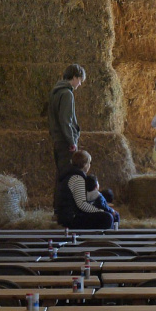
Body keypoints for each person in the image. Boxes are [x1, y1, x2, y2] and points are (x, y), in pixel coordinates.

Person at [48, 64, 86, 211]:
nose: (80, 84)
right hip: (65, 141)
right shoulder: (67, 94)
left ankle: (58, 209)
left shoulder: (55, 92)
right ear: (74, 77)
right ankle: (63, 211)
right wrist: (72, 141)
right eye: (80, 80)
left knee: (61, 175)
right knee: (68, 176)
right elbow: (66, 121)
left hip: (57, 139)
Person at [56, 150, 115, 229]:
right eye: (89, 163)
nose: (89, 165)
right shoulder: (77, 178)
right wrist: (100, 211)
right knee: (107, 218)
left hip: (68, 215)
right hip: (71, 218)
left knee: (107, 216)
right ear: (84, 164)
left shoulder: (71, 175)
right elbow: (82, 204)